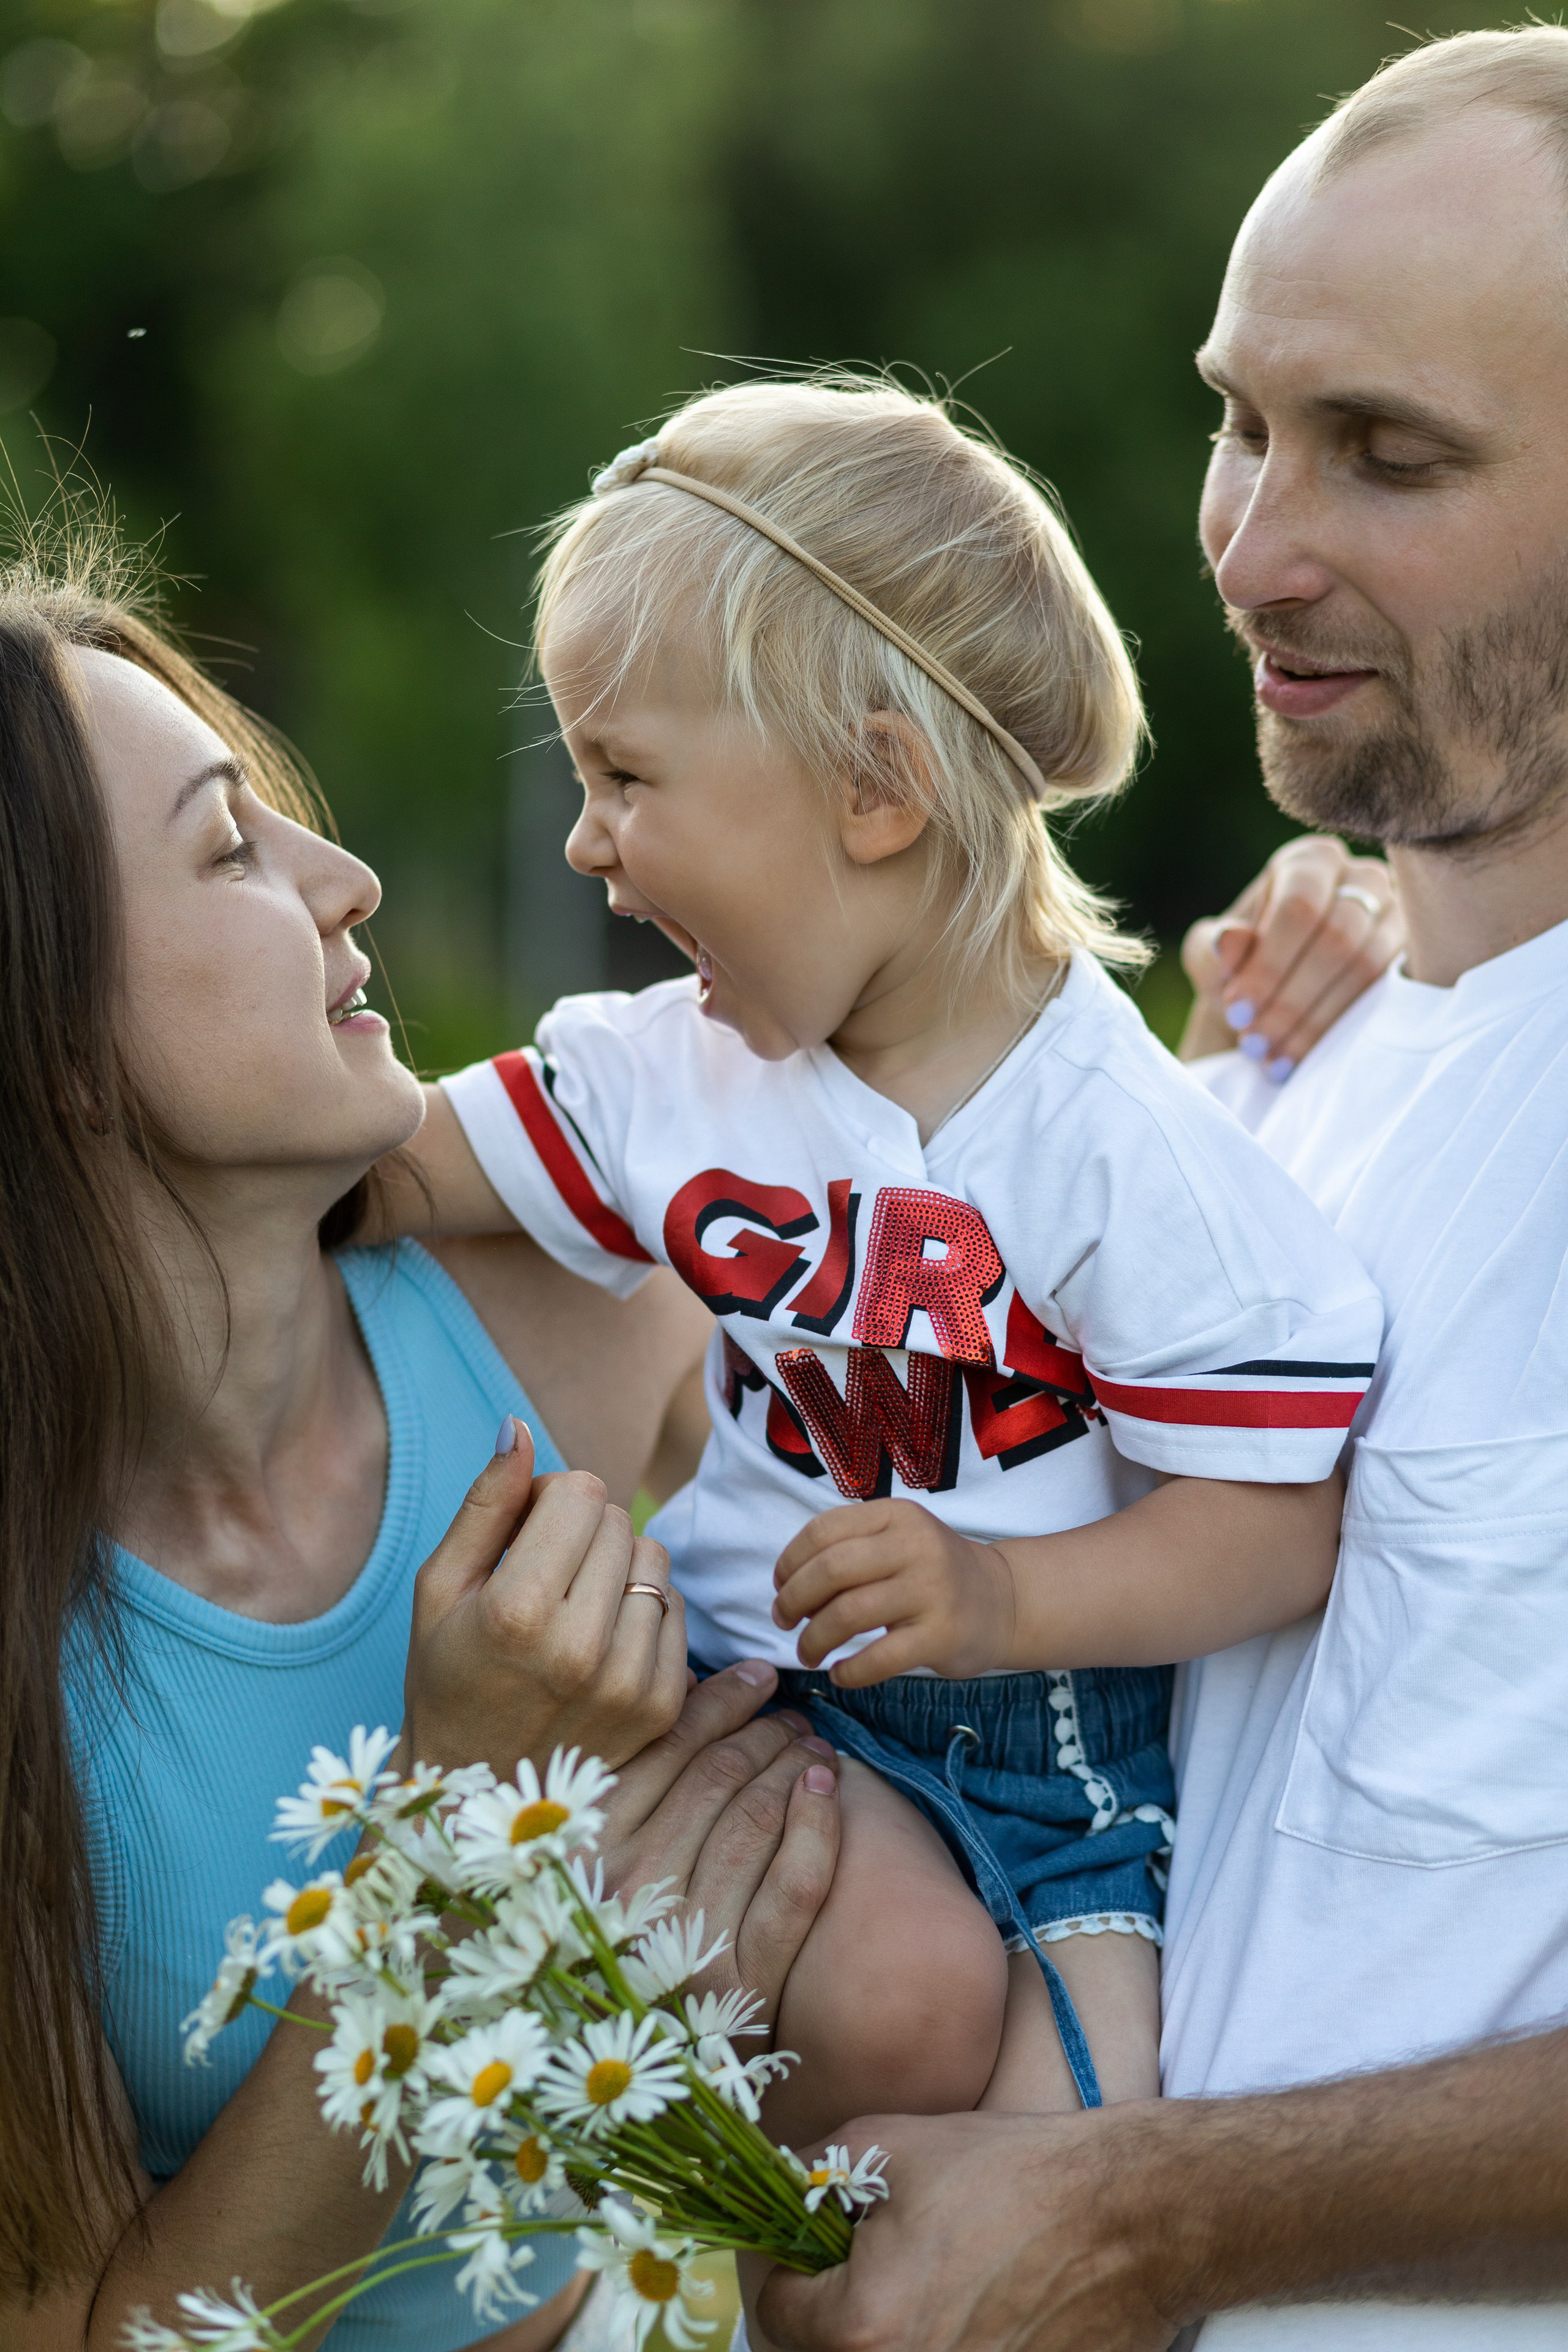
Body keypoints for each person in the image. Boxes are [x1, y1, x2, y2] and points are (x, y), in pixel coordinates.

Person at [749, 26, 1568, 2352]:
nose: (1250, 545)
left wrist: (1150, 2220)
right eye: (1241, 421)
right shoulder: (1274, 1084)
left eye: (1389, 453)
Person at [387, 372, 1383, 2260]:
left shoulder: (1118, 1152)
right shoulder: (673, 1077)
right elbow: (387, 1168)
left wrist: (1004, 1598)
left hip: (1039, 1747)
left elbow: (1281, 1523)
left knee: (1063, 2176)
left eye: (626, 777)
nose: (589, 842)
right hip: (732, 1693)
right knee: (822, 2059)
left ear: (873, 789)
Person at [0, 559, 844, 2352]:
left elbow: (1036, 1318)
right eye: (228, 851)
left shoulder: (582, 1308)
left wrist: (1275, 1022)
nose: (344, 877)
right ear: (46, 1034)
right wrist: (459, 1848)